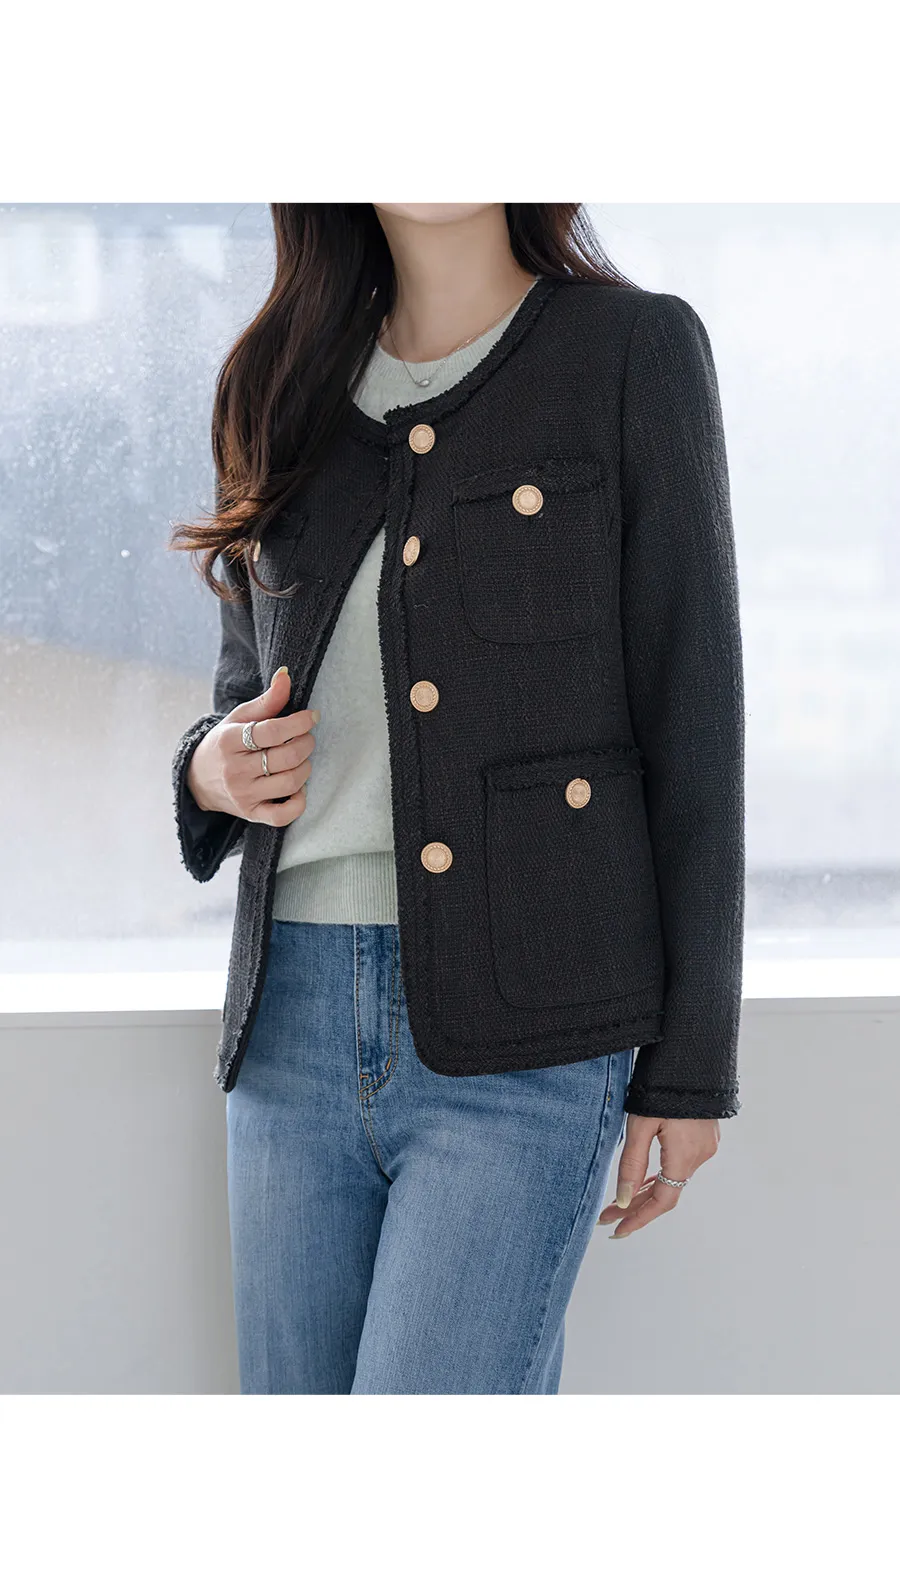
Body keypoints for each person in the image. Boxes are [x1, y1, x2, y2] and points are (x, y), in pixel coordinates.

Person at [170, 203, 745, 1394]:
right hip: (289, 1026)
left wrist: (690, 1068)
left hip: (528, 1029)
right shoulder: (275, 377)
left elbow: (695, 719)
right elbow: (242, 690)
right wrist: (207, 767)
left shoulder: (632, 353)